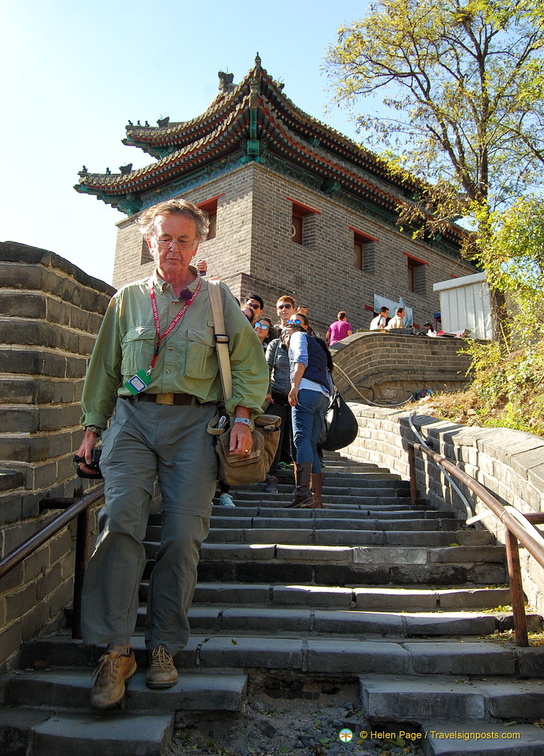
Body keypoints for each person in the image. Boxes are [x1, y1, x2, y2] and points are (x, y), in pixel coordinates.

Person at [76, 198, 268, 709]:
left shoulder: (217, 298)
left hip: (194, 426)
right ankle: (116, 648)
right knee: (119, 523)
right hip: (133, 421)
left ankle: (163, 645)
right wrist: (91, 428)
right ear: (149, 242)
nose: (173, 248)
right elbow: (105, 370)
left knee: (182, 537)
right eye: (164, 238)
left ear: (198, 244)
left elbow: (250, 363)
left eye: (184, 239)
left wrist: (244, 418)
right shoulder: (127, 299)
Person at [283, 318, 333, 509]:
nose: (284, 340)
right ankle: (316, 498)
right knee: (311, 445)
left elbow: (300, 358)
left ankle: (302, 492)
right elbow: (328, 376)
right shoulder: (320, 347)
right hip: (321, 396)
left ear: (289, 332)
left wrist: (294, 386)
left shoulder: (297, 335)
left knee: (301, 440)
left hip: (305, 391)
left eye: (283, 335)